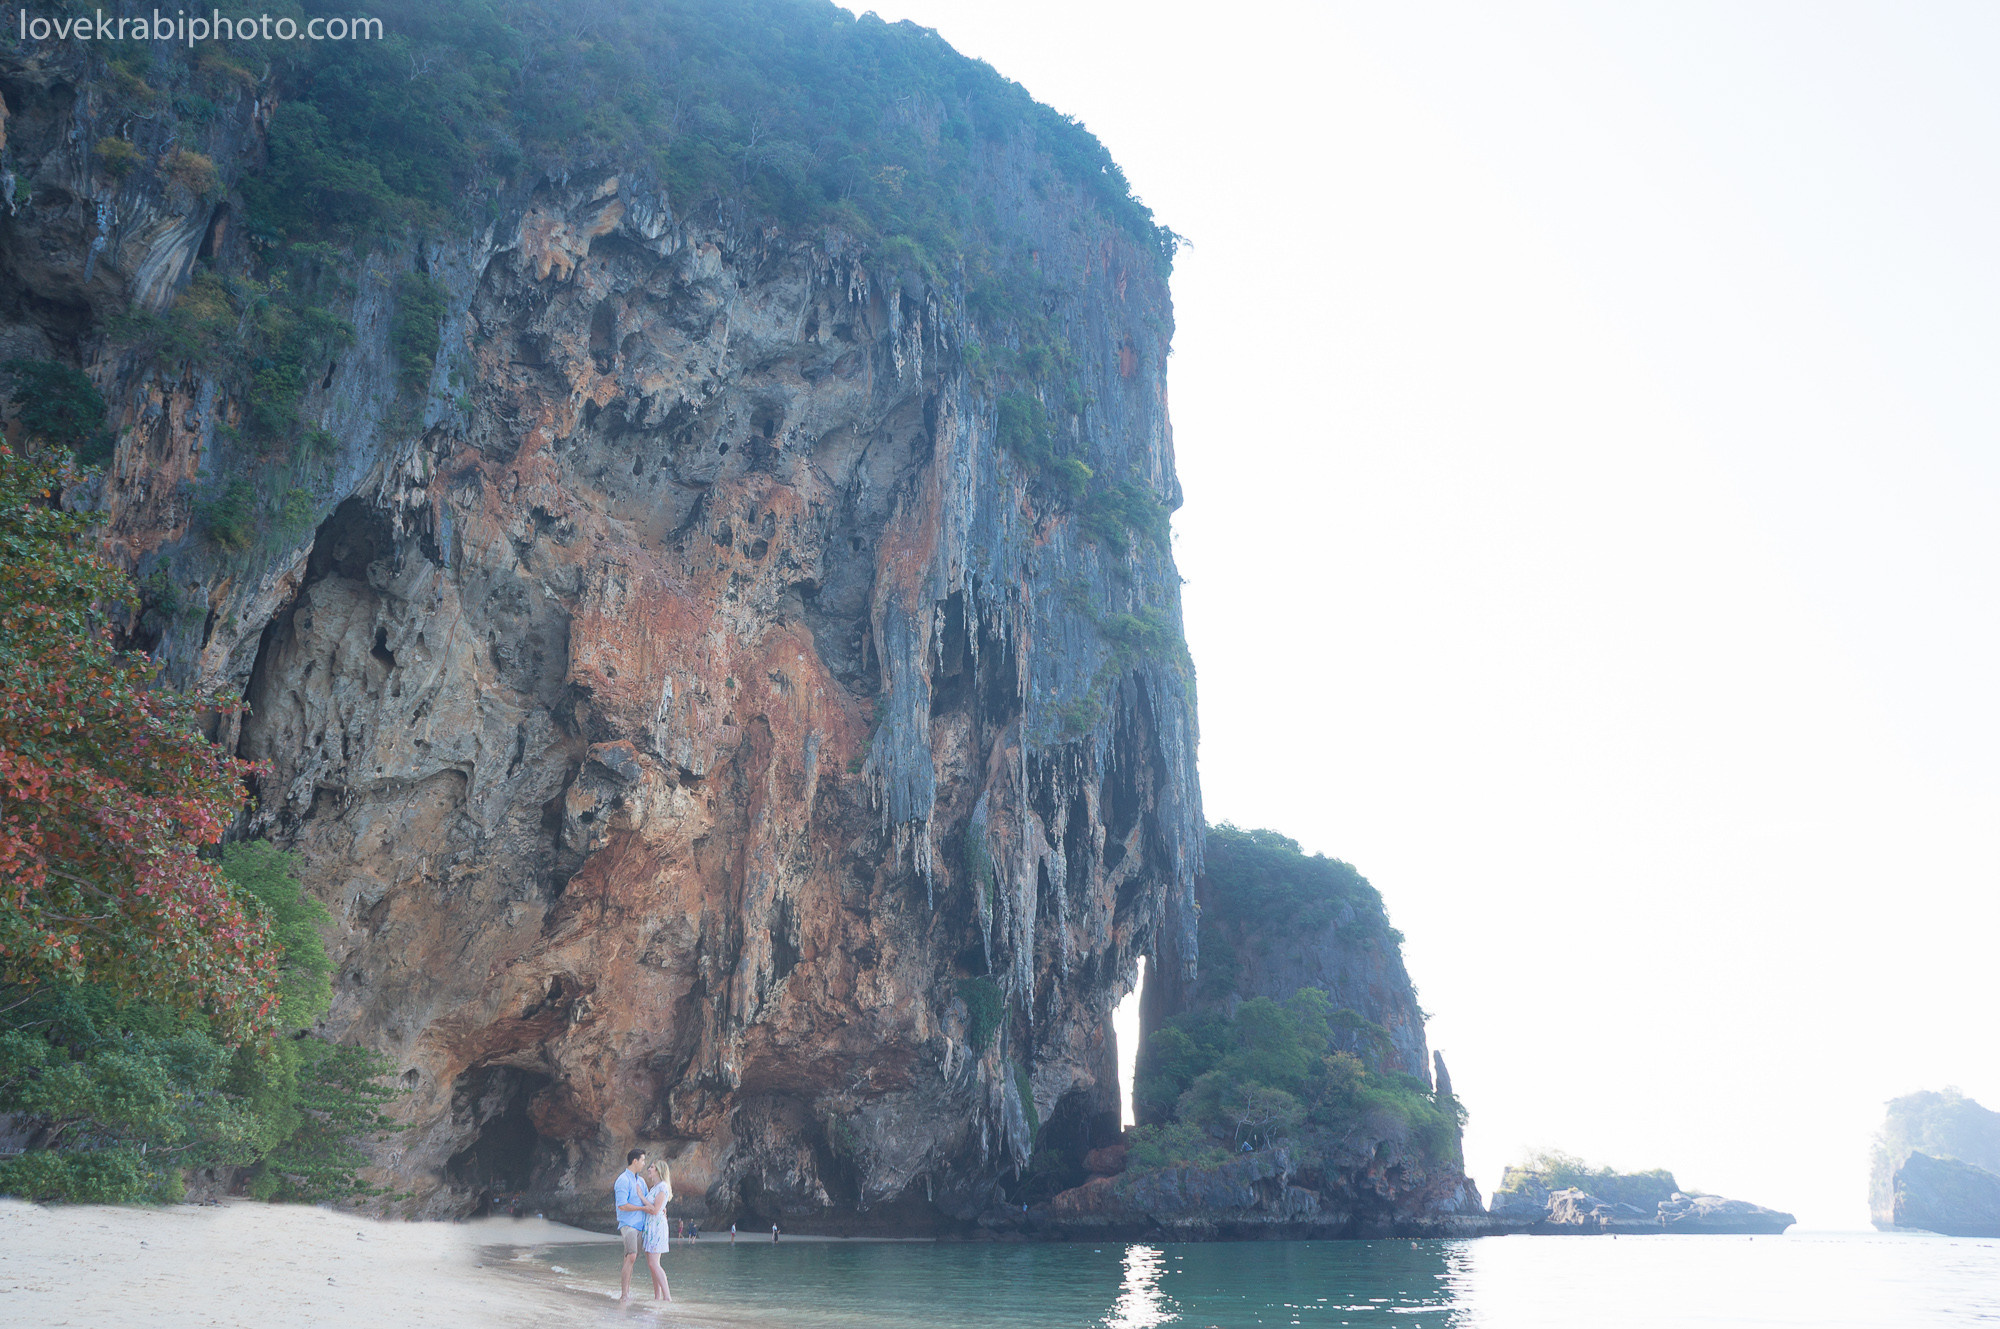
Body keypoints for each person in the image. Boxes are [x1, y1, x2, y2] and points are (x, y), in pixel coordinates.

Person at [613, 1149, 650, 1302]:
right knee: (632, 1256)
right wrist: (642, 1208)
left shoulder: (641, 1181)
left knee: (630, 1258)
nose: (644, 1164)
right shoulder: (623, 1180)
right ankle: (624, 1295)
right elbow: (622, 1205)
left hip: (640, 1225)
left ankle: (627, 1291)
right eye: (642, 1160)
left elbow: (647, 1199)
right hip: (628, 1224)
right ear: (635, 1161)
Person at [641, 1164, 674, 1302]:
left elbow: (655, 1210)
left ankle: (667, 1297)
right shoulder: (655, 1187)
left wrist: (640, 1196)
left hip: (657, 1227)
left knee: (654, 1263)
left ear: (659, 1170)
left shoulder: (663, 1187)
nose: (649, 1169)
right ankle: (657, 1296)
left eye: (652, 1167)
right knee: (651, 1264)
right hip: (651, 1226)